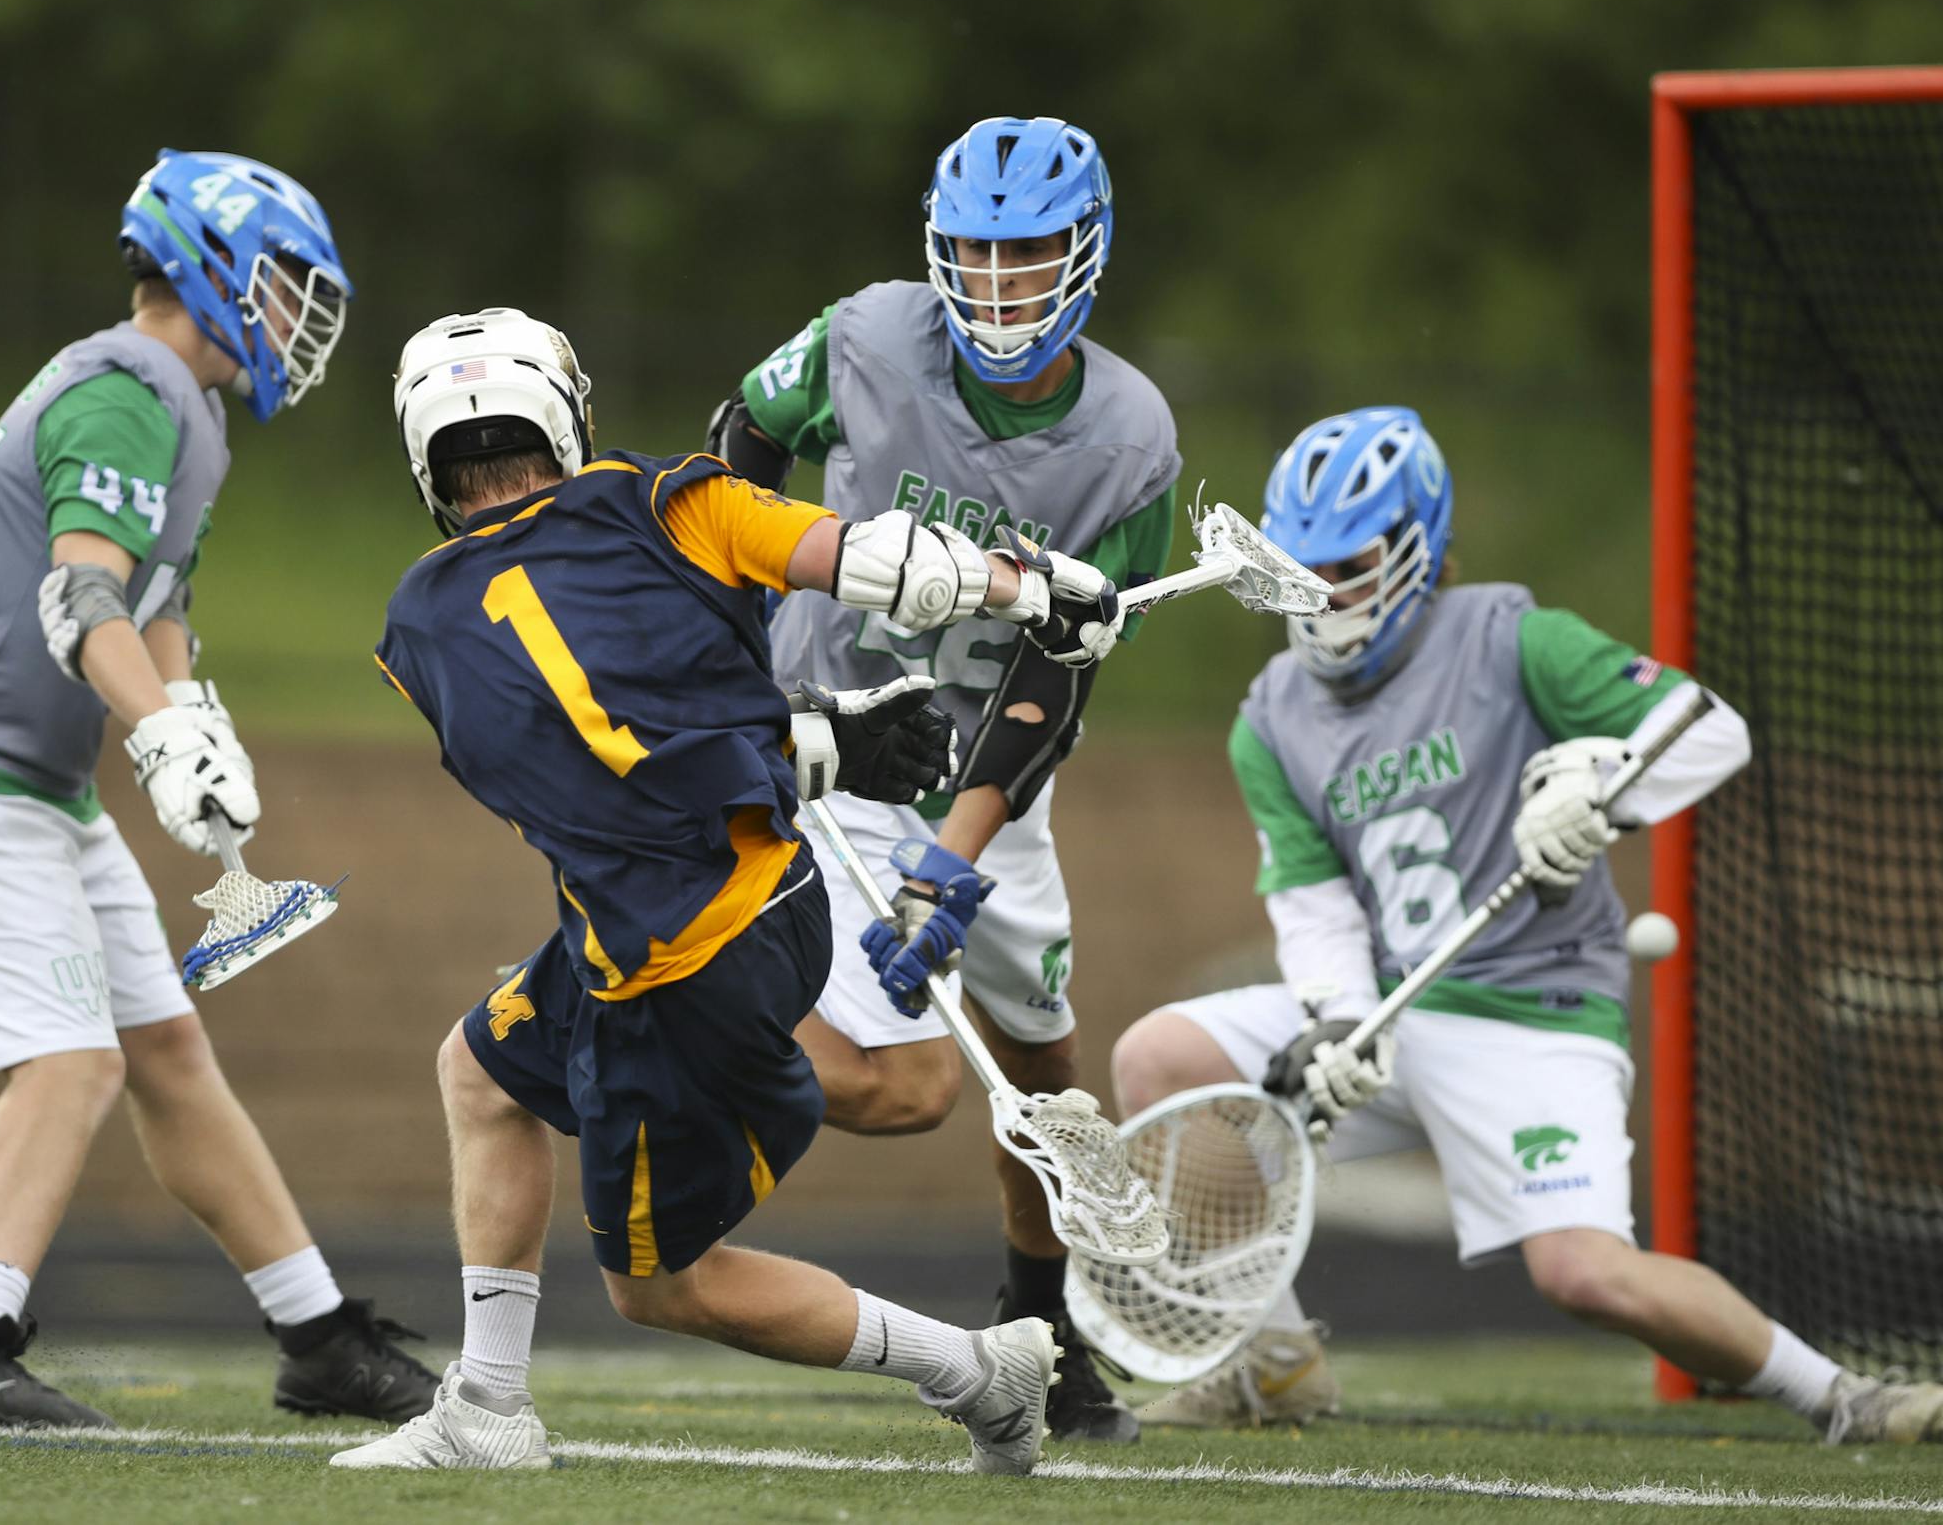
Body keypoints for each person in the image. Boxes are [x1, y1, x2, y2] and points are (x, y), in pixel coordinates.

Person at [333, 306, 1125, 1474]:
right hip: (730, 913)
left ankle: (979, 1374)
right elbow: (880, 561)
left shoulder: (421, 626)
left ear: (423, 459)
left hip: (677, 960)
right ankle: (488, 1405)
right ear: (567, 412)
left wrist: (813, 742)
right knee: (481, 1072)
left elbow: (585, 764)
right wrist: (1037, 589)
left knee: (665, 1289)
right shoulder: (673, 498)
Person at [1110, 405, 1943, 1444]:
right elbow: (1312, 900)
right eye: (1300, 566)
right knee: (1160, 1059)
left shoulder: (1513, 638)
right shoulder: (1271, 715)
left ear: (1416, 550)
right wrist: (1339, 1020)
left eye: (1349, 565)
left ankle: (1844, 1398)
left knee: (1587, 1277)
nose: (1320, 594)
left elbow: (1710, 729)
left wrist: (1601, 782)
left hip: (1532, 1013)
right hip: (1395, 1013)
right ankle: (1272, 1365)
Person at [0, 150, 440, 1430]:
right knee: (72, 1064)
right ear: (208, 269)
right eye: (279, 287)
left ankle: (318, 1337)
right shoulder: (126, 389)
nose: (295, 318)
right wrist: (158, 731)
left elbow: (156, 603)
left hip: (29, 776)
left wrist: (190, 706)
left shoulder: (186, 410)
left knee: (167, 1052)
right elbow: (81, 594)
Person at [708, 115, 1180, 1443]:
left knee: (1041, 1074)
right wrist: (751, 615)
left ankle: (1049, 1334)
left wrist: (958, 849)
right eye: (972, 252)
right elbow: (743, 437)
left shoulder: (1132, 441)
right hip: (840, 744)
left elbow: (1058, 676)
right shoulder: (868, 334)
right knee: (901, 1085)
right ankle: (667, 1026)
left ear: (1083, 258)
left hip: (990, 768)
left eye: (1027, 255)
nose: (995, 283)